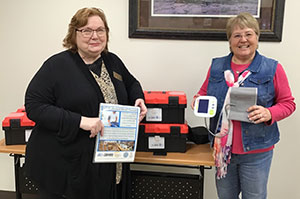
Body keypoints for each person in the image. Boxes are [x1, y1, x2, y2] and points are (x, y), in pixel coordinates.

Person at [24, 7, 147, 199]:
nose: (95, 36)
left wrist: (138, 98)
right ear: (74, 34)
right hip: (66, 165)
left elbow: (131, 83)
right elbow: (34, 106)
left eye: (100, 30)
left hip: (109, 159)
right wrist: (81, 121)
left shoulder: (112, 61)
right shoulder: (56, 66)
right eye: (86, 30)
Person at [191, 12, 295, 199]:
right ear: (229, 40)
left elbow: (288, 103)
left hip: (257, 152)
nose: (243, 40)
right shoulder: (217, 66)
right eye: (237, 35)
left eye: (248, 34)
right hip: (222, 151)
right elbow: (204, 92)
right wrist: (199, 99)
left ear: (257, 37)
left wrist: (269, 113)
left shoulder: (272, 68)